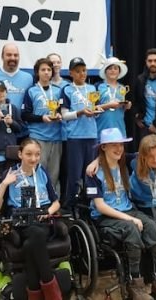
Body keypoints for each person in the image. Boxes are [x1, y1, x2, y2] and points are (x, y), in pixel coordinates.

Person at [86, 128, 156, 300]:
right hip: (106, 217)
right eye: (114, 145)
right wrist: (130, 218)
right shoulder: (93, 172)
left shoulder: (124, 161)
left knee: (152, 228)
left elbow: (148, 150)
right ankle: (134, 283)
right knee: (132, 230)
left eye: (120, 144)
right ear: (103, 147)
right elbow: (100, 206)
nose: (119, 148)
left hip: (128, 209)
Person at [0, 138, 62, 299]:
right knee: (35, 236)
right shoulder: (10, 174)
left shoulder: (42, 172)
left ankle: (34, 294)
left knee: (31, 243)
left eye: (37, 154)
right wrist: (4, 184)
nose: (33, 159)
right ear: (20, 154)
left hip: (42, 217)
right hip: (20, 220)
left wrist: (49, 211)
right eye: (29, 154)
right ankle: (52, 292)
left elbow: (56, 203)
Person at [61, 57, 100, 209]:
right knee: (75, 174)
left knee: (91, 173)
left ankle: (90, 202)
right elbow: (64, 115)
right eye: (77, 71)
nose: (81, 74)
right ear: (71, 73)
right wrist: (80, 112)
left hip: (91, 135)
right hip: (75, 137)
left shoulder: (92, 89)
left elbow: (96, 110)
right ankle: (71, 204)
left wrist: (95, 112)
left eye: (84, 70)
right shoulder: (67, 90)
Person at [22, 58, 62, 188]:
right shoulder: (31, 91)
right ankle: (37, 203)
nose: (46, 72)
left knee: (54, 174)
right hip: (38, 137)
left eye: (49, 70)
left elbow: (62, 110)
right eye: (43, 70)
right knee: (37, 171)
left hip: (56, 137)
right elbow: (25, 115)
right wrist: (42, 118)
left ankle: (51, 202)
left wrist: (60, 115)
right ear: (37, 72)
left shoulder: (58, 91)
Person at [0, 43, 33, 143]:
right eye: (9, 55)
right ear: (2, 56)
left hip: (22, 131)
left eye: (15, 55)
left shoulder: (28, 78)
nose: (12, 58)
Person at [46, 53, 70, 203]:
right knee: (50, 172)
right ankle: (49, 201)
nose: (55, 65)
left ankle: (65, 202)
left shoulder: (68, 85)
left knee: (66, 172)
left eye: (57, 62)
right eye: (52, 62)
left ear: (61, 64)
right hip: (50, 134)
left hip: (67, 134)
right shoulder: (42, 85)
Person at [95, 56, 132, 139]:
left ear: (119, 71)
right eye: (110, 68)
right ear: (105, 71)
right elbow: (92, 109)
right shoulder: (98, 86)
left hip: (119, 128)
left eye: (115, 68)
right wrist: (108, 105)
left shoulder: (123, 88)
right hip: (102, 127)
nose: (113, 71)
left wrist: (126, 106)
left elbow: (122, 110)